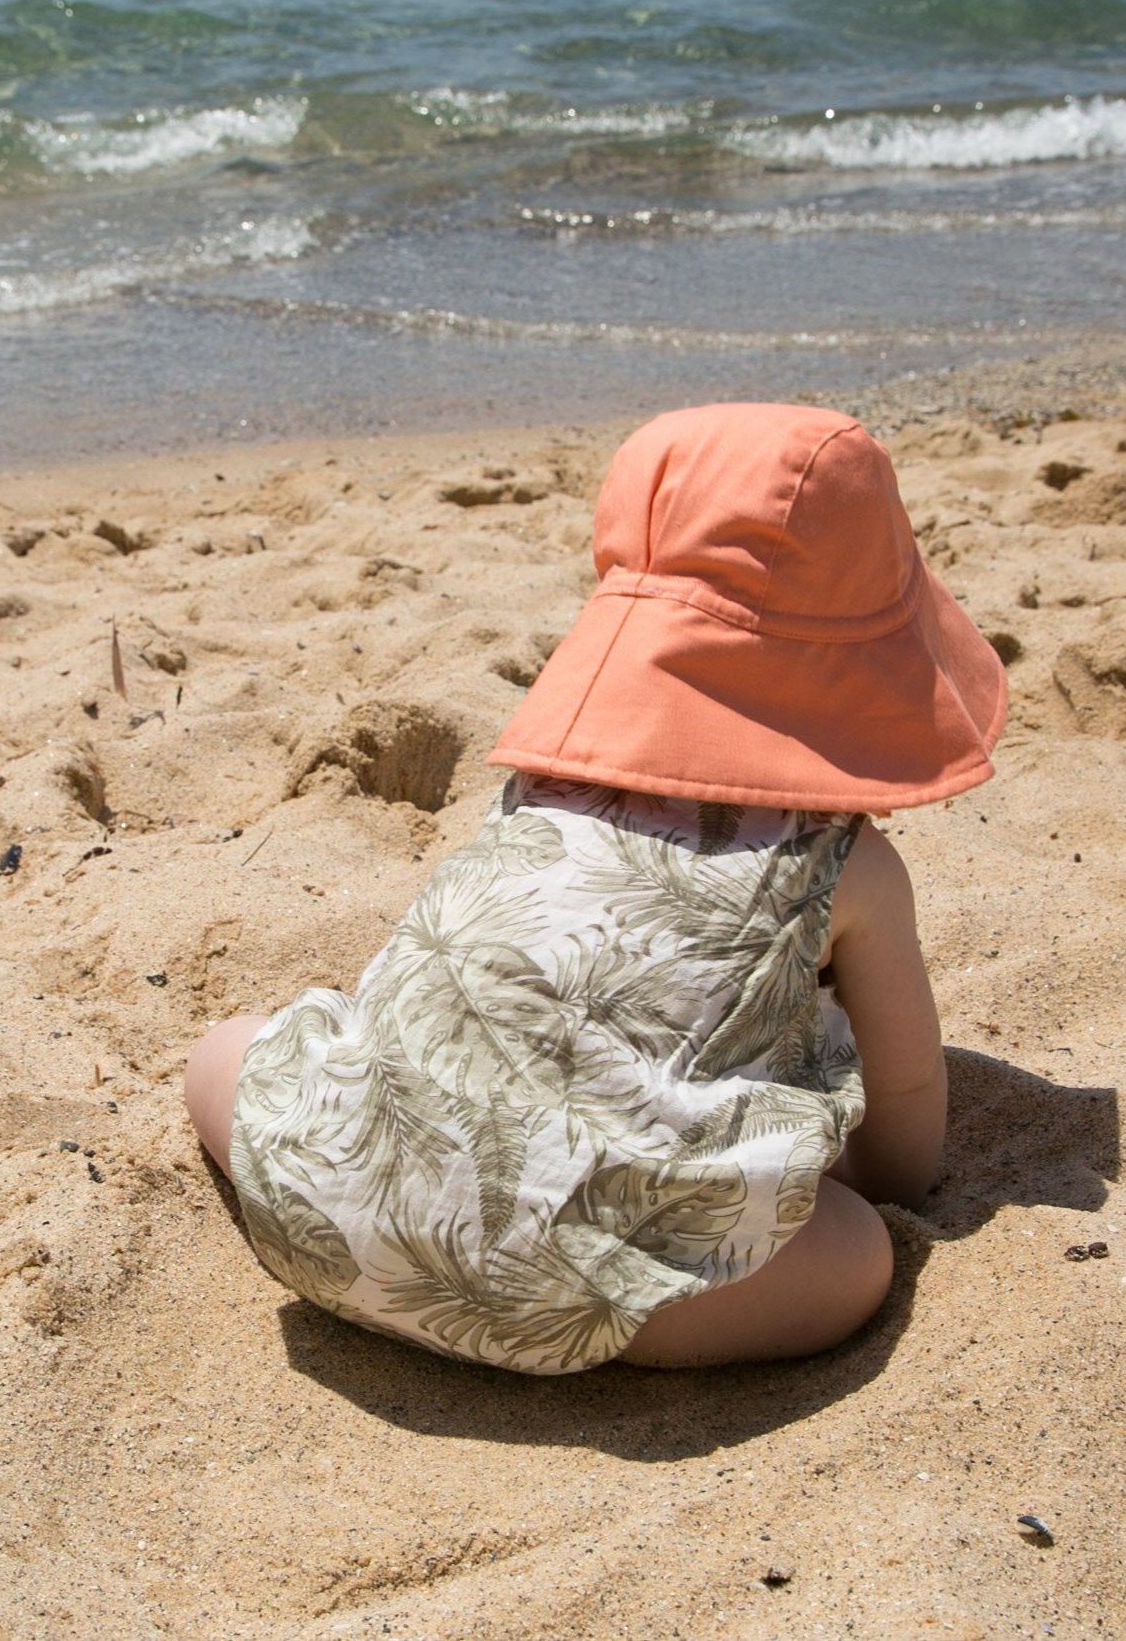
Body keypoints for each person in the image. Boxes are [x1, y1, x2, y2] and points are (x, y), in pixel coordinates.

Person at [184, 402, 1007, 1374]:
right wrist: (863, 1178)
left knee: (224, 1053)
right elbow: (908, 1095)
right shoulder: (846, 866)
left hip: (340, 1226)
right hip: (577, 1299)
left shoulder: (538, 790)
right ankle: (571, 1309)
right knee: (857, 1255)